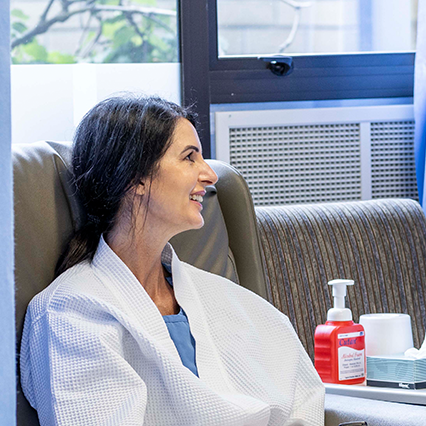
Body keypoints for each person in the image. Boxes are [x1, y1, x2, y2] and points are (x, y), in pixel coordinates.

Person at [20, 95, 323, 425]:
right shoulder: (72, 312)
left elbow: (302, 397)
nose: (210, 174)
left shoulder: (222, 298)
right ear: (135, 178)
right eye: (190, 158)